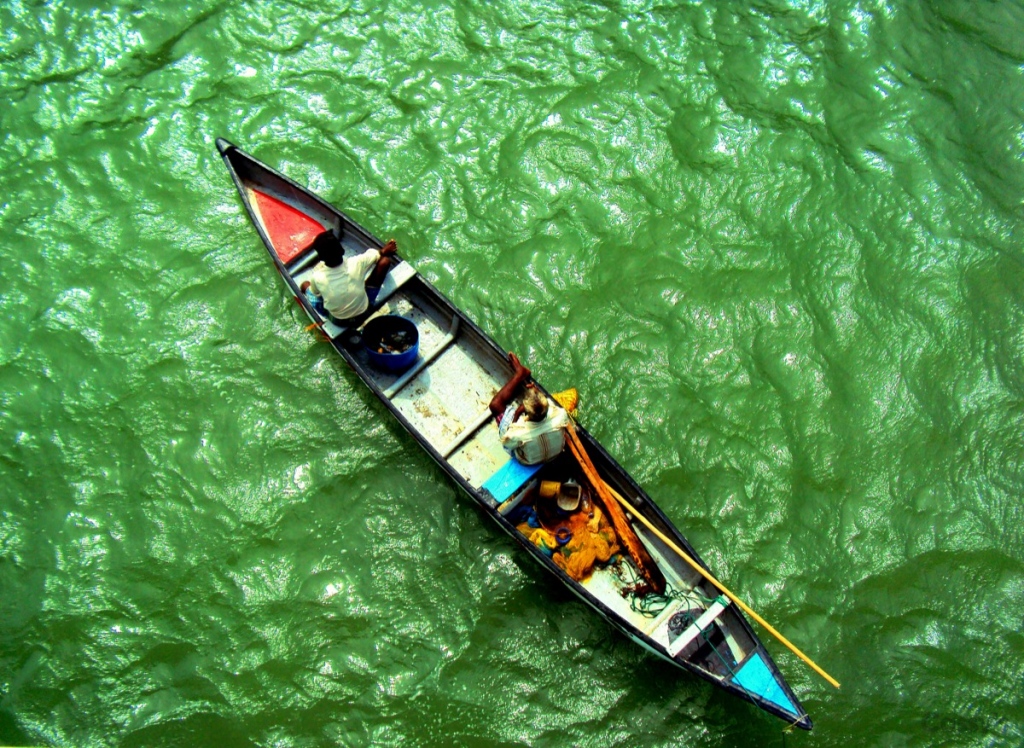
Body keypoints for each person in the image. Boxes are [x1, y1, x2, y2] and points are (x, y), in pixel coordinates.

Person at [489, 353, 570, 465]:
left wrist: (517, 414)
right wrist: (537, 394)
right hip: (555, 453)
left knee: (495, 405)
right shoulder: (561, 414)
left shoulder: (518, 434)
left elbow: (507, 443)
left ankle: (519, 374)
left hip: (530, 461)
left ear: (525, 412)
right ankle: (520, 374)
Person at [300, 231, 397, 325]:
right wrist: (385, 250)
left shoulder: (317, 277)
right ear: (342, 250)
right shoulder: (357, 262)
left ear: (321, 258)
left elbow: (317, 294)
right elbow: (378, 254)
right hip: (364, 312)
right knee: (385, 262)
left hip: (339, 322)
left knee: (305, 285)